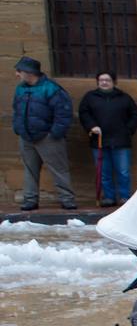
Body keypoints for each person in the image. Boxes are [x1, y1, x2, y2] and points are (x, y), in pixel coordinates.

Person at [12, 55, 76, 211]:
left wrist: (54, 134)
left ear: (29, 72)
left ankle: (67, 199)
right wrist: (18, 128)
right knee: (30, 169)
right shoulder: (20, 88)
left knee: (58, 169)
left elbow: (63, 113)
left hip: (48, 137)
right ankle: (30, 199)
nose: (17, 74)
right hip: (26, 136)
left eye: (19, 71)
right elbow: (16, 110)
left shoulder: (52, 89)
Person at [78, 70, 137, 206]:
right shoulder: (90, 97)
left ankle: (124, 196)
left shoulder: (124, 98)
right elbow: (84, 114)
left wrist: (128, 130)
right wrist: (91, 126)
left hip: (121, 141)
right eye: (101, 80)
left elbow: (135, 115)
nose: (104, 82)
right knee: (104, 172)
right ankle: (109, 197)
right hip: (99, 140)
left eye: (107, 80)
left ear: (114, 82)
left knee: (123, 171)